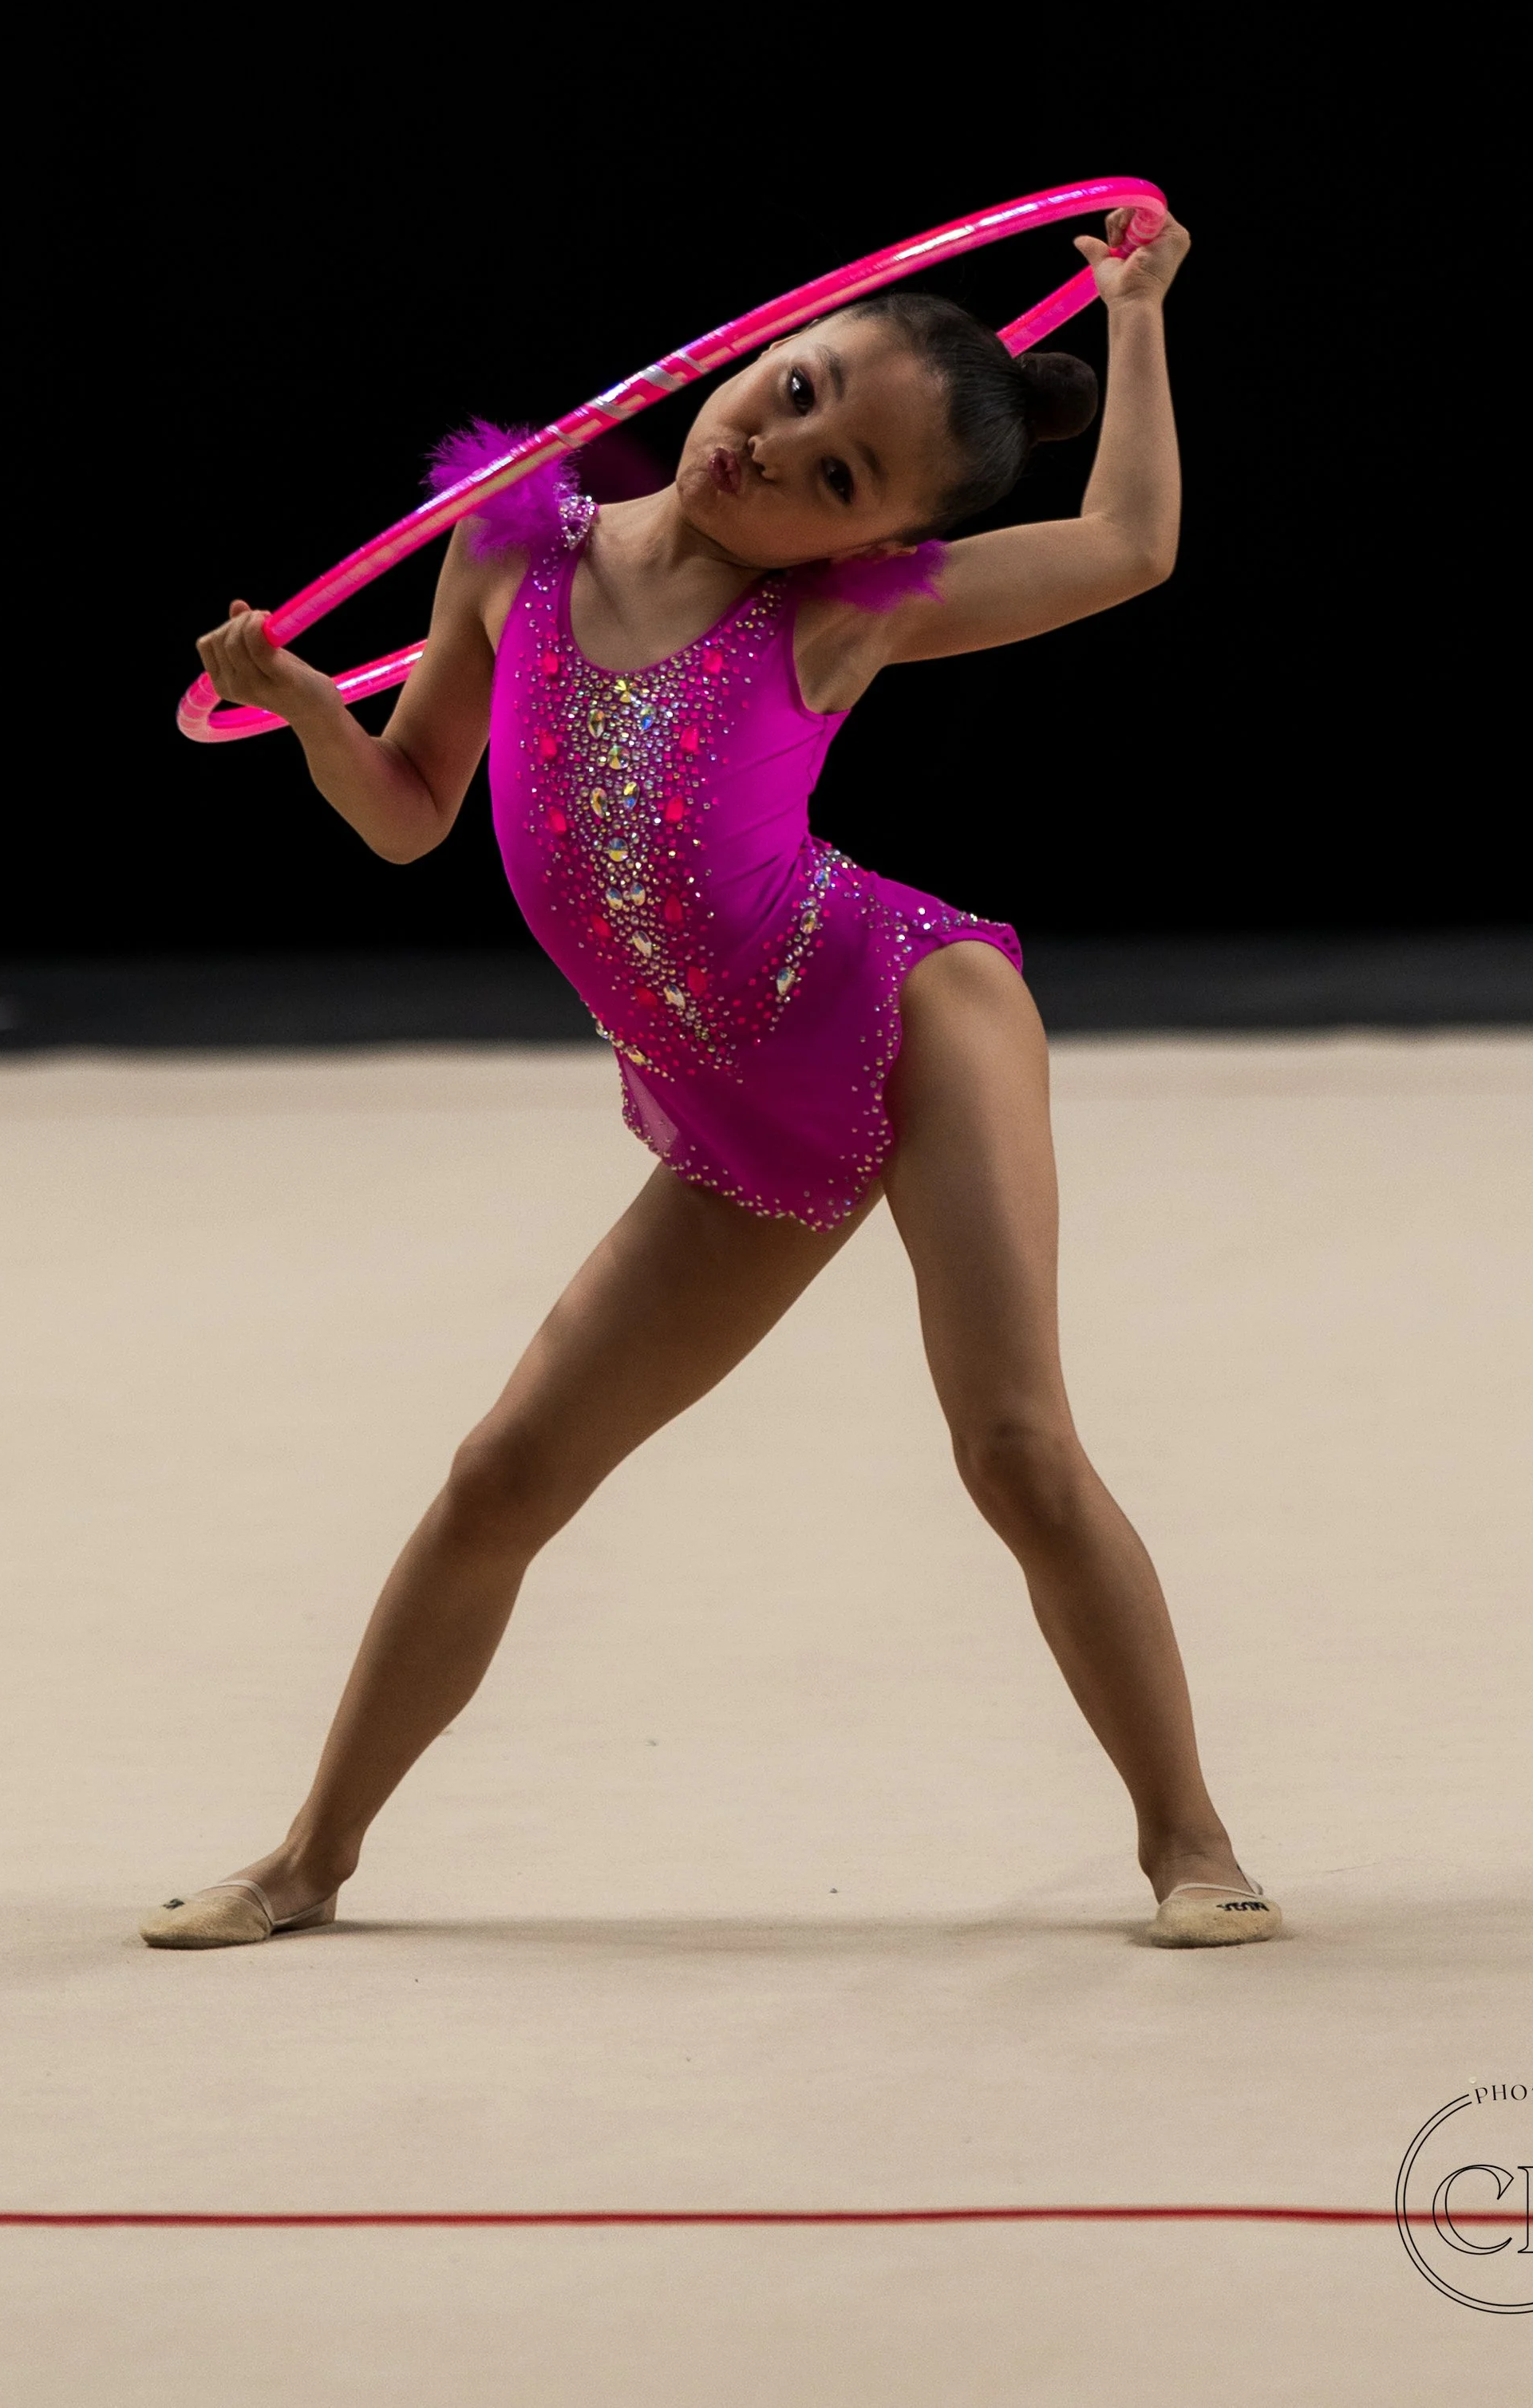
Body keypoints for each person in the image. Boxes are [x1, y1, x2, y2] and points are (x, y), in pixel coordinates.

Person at [144, 205, 1280, 1953]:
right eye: (800, 391)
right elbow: (405, 815)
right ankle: (305, 1861)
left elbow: (1126, 542)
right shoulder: (508, 541)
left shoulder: (835, 620)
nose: (781, 446)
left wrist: (1132, 316)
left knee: (1011, 1448)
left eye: (842, 478)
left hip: (911, 1018)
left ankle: (1189, 1847)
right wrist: (303, 704)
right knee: (502, 1473)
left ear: (883, 542)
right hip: (740, 1097)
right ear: (757, 345)